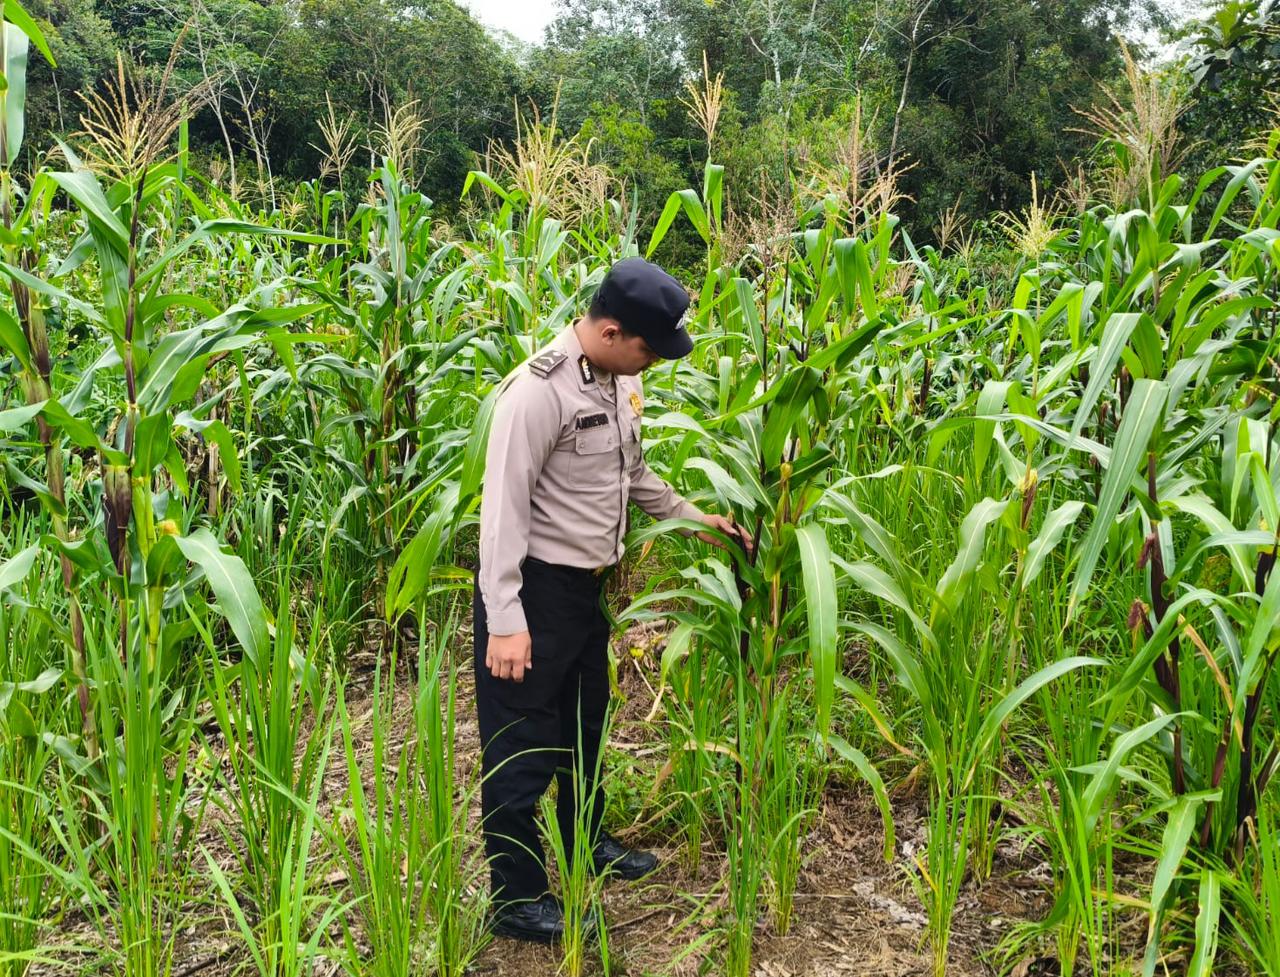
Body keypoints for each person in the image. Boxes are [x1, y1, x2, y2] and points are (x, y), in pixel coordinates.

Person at [474, 256, 745, 943]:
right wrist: (505, 620)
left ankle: (585, 841)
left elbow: (633, 473)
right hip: (534, 593)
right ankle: (515, 899)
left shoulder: (618, 380)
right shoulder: (537, 393)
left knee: (584, 728)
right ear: (611, 331)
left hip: (585, 592)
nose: (653, 362)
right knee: (521, 747)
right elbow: (500, 513)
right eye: (649, 349)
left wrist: (693, 519)